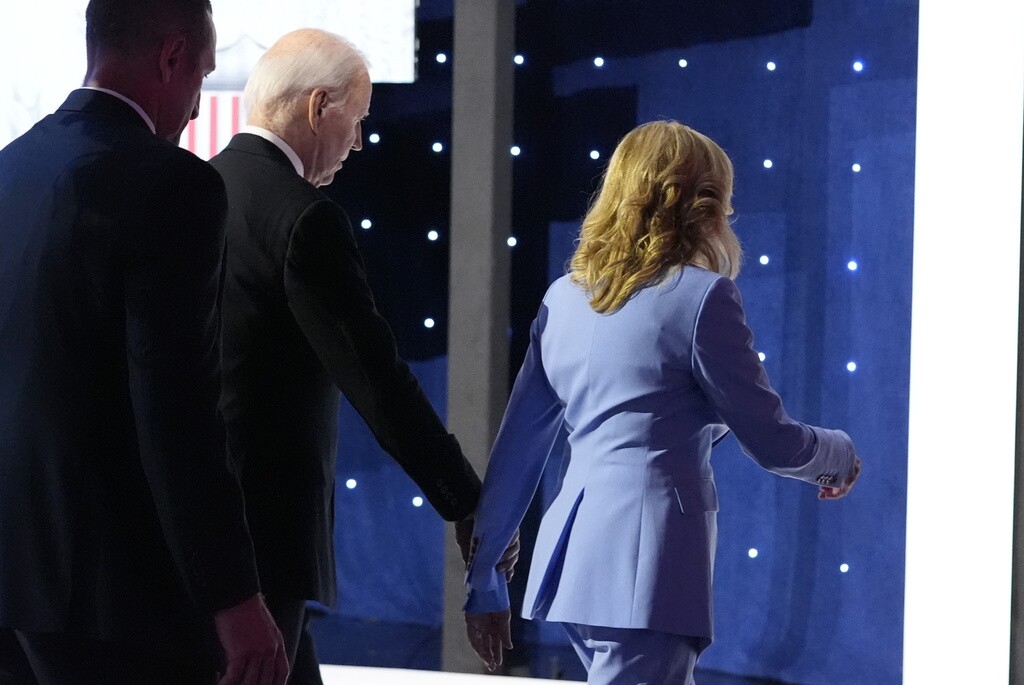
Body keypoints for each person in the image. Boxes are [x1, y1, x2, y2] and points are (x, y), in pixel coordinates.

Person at [463, 120, 862, 683]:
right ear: (703, 205)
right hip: (647, 569)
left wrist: (485, 581)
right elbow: (771, 440)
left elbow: (516, 452)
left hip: (575, 563)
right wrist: (839, 456)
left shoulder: (564, 299)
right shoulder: (703, 298)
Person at [209, 29, 516, 684]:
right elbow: (377, 381)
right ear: (321, 105)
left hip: (187, 532)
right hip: (263, 543)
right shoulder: (303, 219)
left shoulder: (194, 192)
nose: (358, 142)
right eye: (358, 119)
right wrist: (465, 500)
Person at [0, 1, 290, 684]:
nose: (195, 108)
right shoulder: (171, 182)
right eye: (201, 76)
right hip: (113, 596)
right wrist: (234, 596)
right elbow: (177, 406)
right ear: (170, 59)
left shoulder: (10, 168)